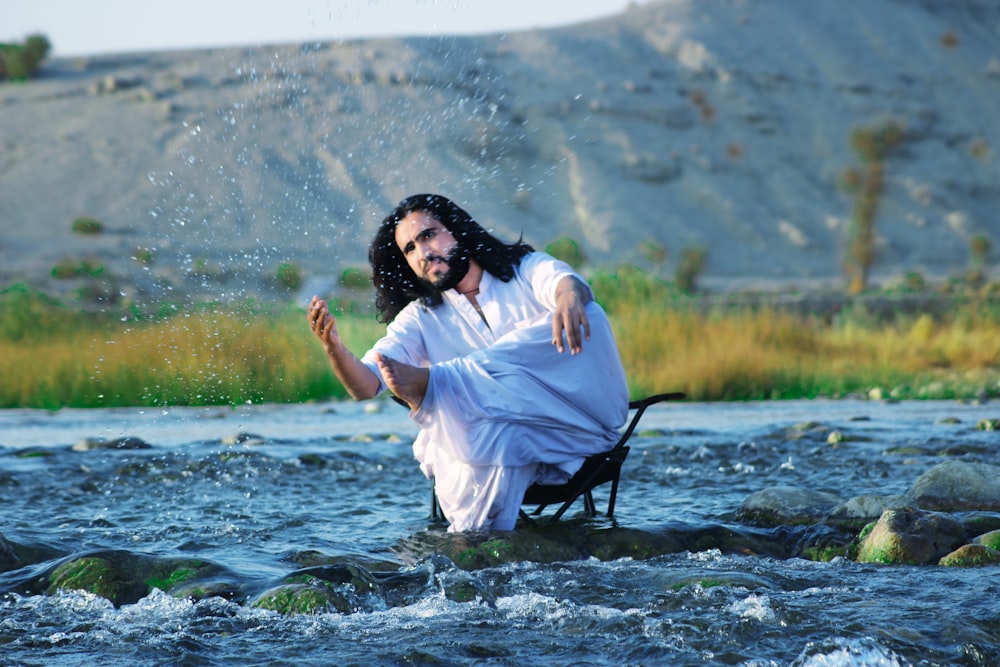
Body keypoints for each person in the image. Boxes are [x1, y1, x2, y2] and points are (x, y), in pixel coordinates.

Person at [308, 194, 629, 532]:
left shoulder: (522, 270)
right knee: (503, 435)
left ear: (458, 230)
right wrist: (333, 348)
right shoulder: (420, 318)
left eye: (429, 235)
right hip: (490, 448)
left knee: (588, 310)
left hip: (574, 427)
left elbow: (563, 281)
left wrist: (567, 297)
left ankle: (440, 382)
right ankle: (479, 554)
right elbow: (366, 386)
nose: (423, 253)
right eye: (410, 249)